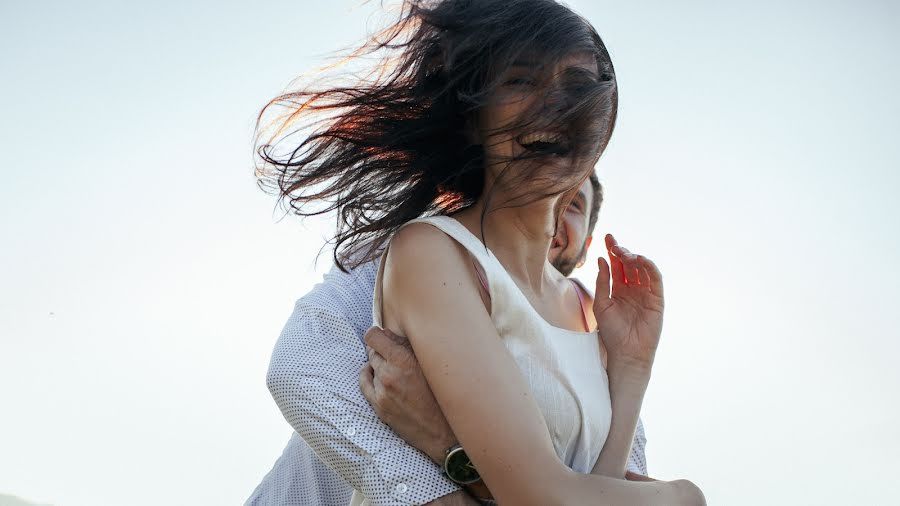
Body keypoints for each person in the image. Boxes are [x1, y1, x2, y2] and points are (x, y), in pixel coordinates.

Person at [252, 1, 703, 504]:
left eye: (577, 83)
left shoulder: (591, 316)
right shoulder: (425, 251)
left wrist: (631, 367)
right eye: (519, 80)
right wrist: (685, 496)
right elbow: (301, 368)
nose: (556, 105)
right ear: (472, 118)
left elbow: (599, 485)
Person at [246, 176, 648, 506]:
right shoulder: (415, 254)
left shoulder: (597, 337)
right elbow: (302, 371)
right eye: (544, 190)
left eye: (574, 203)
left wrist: (447, 445)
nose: (554, 209)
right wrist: (442, 496)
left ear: (586, 250)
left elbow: (614, 487)